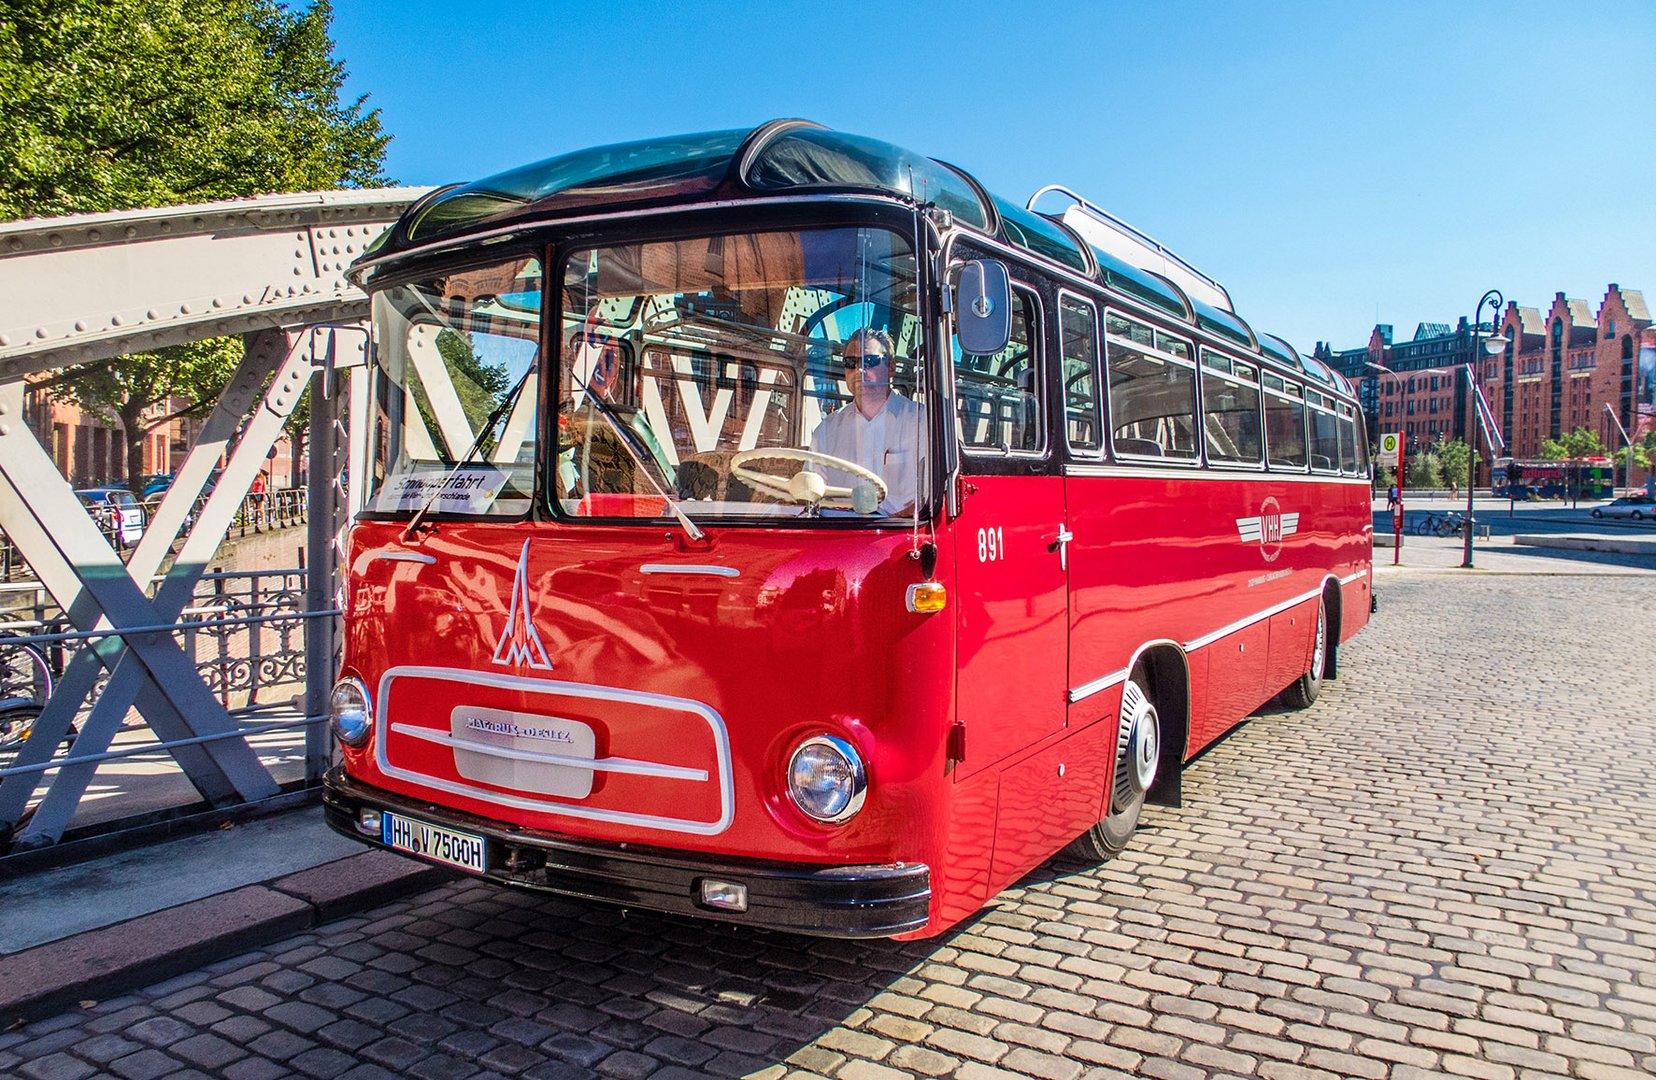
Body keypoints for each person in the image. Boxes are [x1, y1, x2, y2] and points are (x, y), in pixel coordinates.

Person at [808, 328, 923, 515]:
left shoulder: (921, 422)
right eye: (850, 363)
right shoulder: (826, 430)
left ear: (891, 368)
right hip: (840, 535)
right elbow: (811, 494)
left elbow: (934, 496)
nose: (859, 370)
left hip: (900, 534)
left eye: (870, 361)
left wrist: (891, 524)